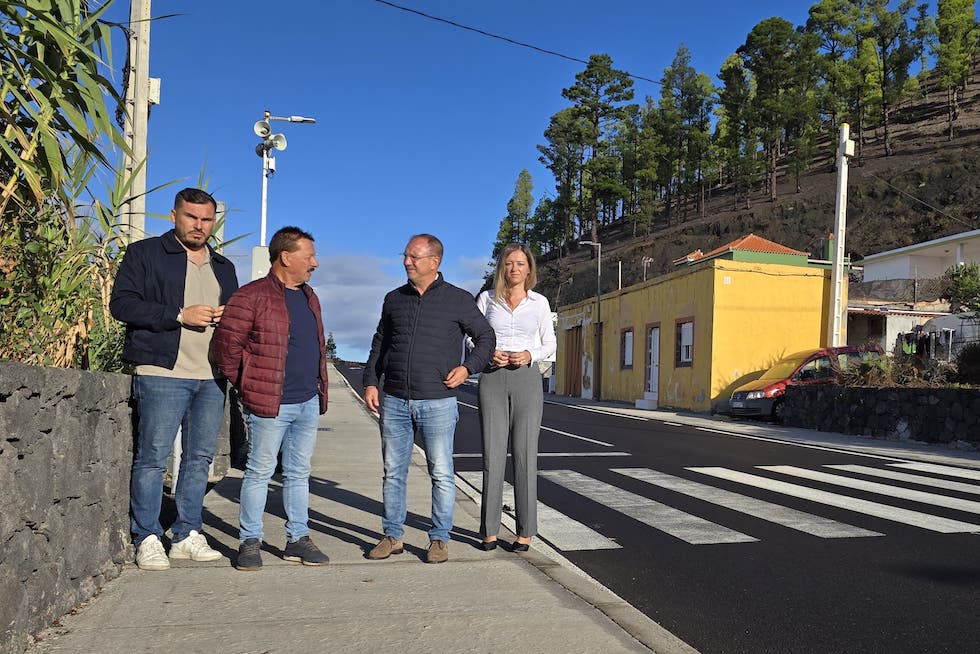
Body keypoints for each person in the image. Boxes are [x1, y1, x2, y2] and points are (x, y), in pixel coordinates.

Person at [110, 187, 239, 571]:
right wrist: (180, 315)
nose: (199, 226)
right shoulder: (145, 254)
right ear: (174, 216)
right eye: (191, 217)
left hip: (211, 376)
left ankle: (186, 533)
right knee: (152, 459)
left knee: (199, 459)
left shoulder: (224, 266)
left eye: (206, 219)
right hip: (162, 371)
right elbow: (122, 304)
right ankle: (147, 535)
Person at [363, 234, 495, 564]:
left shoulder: (458, 299)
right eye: (405, 256)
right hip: (394, 400)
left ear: (434, 262)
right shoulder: (394, 299)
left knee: (441, 472)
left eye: (414, 257)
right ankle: (392, 535)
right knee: (393, 472)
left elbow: (485, 337)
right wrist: (369, 382)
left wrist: (468, 369)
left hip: (438, 402)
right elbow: (379, 344)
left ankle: (439, 538)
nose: (406, 262)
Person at [213, 226, 331, 571]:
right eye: (309, 256)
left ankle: (298, 539)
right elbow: (226, 348)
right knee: (260, 471)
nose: (315, 263)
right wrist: (248, 384)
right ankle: (250, 541)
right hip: (270, 402)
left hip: (307, 400)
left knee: (297, 473)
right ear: (286, 257)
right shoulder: (251, 296)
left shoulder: (310, 296)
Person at [474, 243, 556, 552]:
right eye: (509, 263)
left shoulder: (539, 303)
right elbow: (472, 336)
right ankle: (489, 531)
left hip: (526, 379)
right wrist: (486, 353)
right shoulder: (486, 300)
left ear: (529, 269)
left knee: (524, 455)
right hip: (492, 377)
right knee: (492, 456)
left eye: (520, 263)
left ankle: (525, 533)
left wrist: (529, 353)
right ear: (502, 268)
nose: (514, 269)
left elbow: (550, 343)